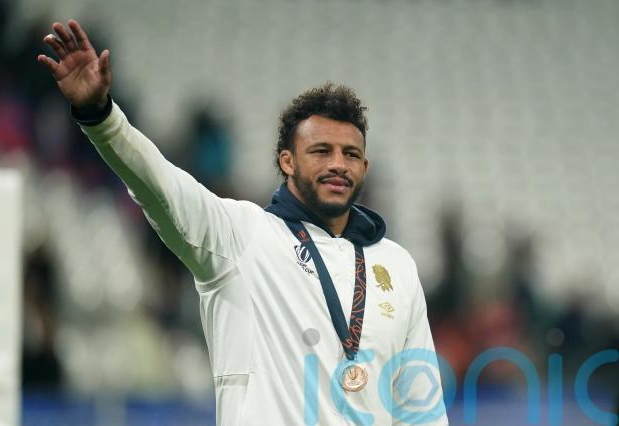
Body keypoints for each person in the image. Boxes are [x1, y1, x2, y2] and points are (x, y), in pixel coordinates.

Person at [38, 19, 448, 425]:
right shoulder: (242, 236)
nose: (338, 164)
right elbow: (160, 187)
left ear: (365, 167)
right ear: (287, 162)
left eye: (351, 154)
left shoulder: (397, 266)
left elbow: (421, 411)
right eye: (321, 151)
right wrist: (102, 118)